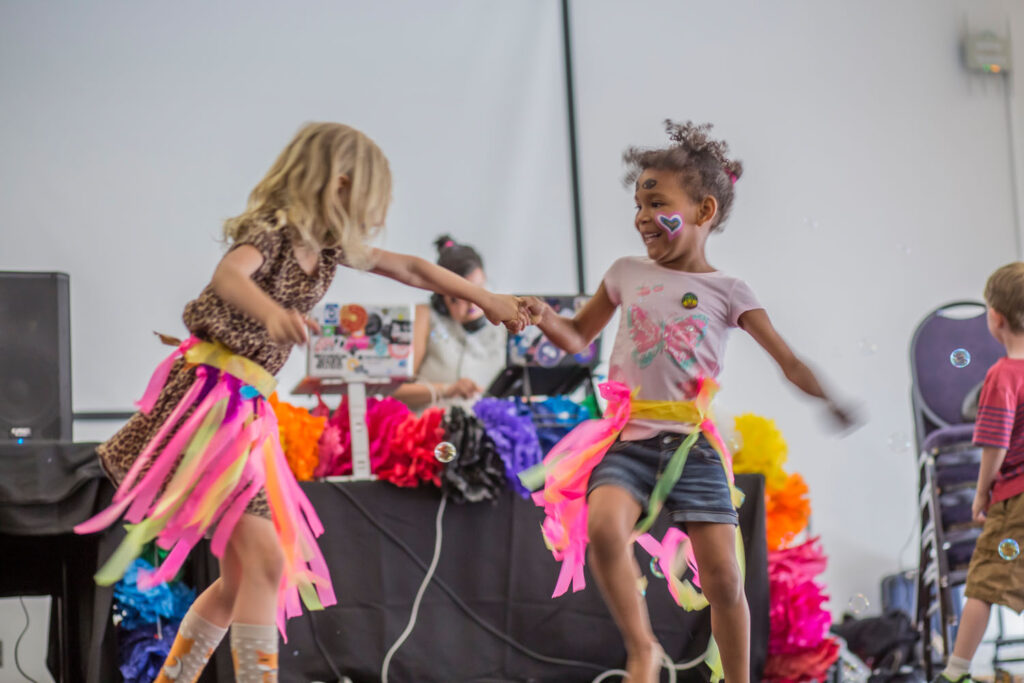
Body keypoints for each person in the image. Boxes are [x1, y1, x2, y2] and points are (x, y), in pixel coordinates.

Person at [74, 122, 528, 683]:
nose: (374, 215)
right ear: (338, 186)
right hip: (206, 403)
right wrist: (269, 313)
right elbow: (228, 275)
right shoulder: (272, 233)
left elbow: (410, 268)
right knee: (265, 560)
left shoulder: (332, 249)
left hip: (245, 416)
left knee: (243, 579)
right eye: (368, 199)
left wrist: (486, 297)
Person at [520, 120, 856, 683]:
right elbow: (579, 337)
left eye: (657, 203)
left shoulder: (729, 291)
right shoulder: (626, 274)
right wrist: (544, 316)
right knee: (604, 528)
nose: (643, 217)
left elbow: (787, 360)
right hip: (628, 440)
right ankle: (641, 648)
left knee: (724, 578)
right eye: (638, 204)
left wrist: (830, 400)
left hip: (692, 447)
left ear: (704, 212)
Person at [933, 263, 1024, 683]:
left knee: (983, 582)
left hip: (1015, 500)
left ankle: (956, 673)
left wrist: (982, 491)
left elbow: (995, 443)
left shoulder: (1002, 375)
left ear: (996, 318)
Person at [391, 235, 507, 410]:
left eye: (480, 291)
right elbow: (395, 390)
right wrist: (447, 390)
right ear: (442, 296)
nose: (473, 303)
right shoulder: (424, 317)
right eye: (463, 296)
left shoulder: (501, 323)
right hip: (430, 428)